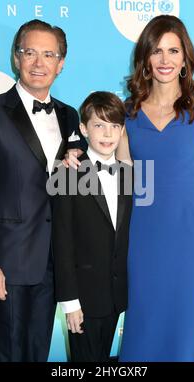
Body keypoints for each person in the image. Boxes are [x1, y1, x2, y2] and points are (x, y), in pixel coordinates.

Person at [117, 15, 194, 362]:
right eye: (157, 51)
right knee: (143, 315)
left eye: (173, 50)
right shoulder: (127, 112)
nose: (166, 59)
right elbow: (122, 177)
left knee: (183, 318)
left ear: (185, 58)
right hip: (140, 232)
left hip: (189, 232)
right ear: (145, 58)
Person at [0, 19, 87, 362]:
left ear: (61, 64)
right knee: (9, 353)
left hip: (54, 260)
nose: (38, 63)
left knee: (38, 352)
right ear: (16, 58)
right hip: (9, 262)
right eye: (29, 52)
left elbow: (73, 188)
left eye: (49, 55)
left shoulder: (69, 115)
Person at [50, 91, 133, 362]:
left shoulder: (130, 174)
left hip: (115, 296)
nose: (107, 134)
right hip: (83, 299)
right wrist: (70, 302)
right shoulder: (67, 172)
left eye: (114, 126)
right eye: (99, 125)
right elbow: (61, 241)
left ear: (122, 131)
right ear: (84, 129)